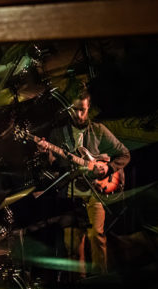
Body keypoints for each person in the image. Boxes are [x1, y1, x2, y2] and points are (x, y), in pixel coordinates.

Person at [38, 88, 130, 275]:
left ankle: (100, 280)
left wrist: (109, 168)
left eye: (83, 110)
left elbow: (124, 154)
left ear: (89, 109)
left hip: (94, 191)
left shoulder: (98, 130)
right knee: (72, 242)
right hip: (70, 194)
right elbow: (51, 167)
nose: (79, 114)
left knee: (97, 236)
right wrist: (44, 152)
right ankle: (78, 282)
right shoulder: (58, 134)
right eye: (75, 109)